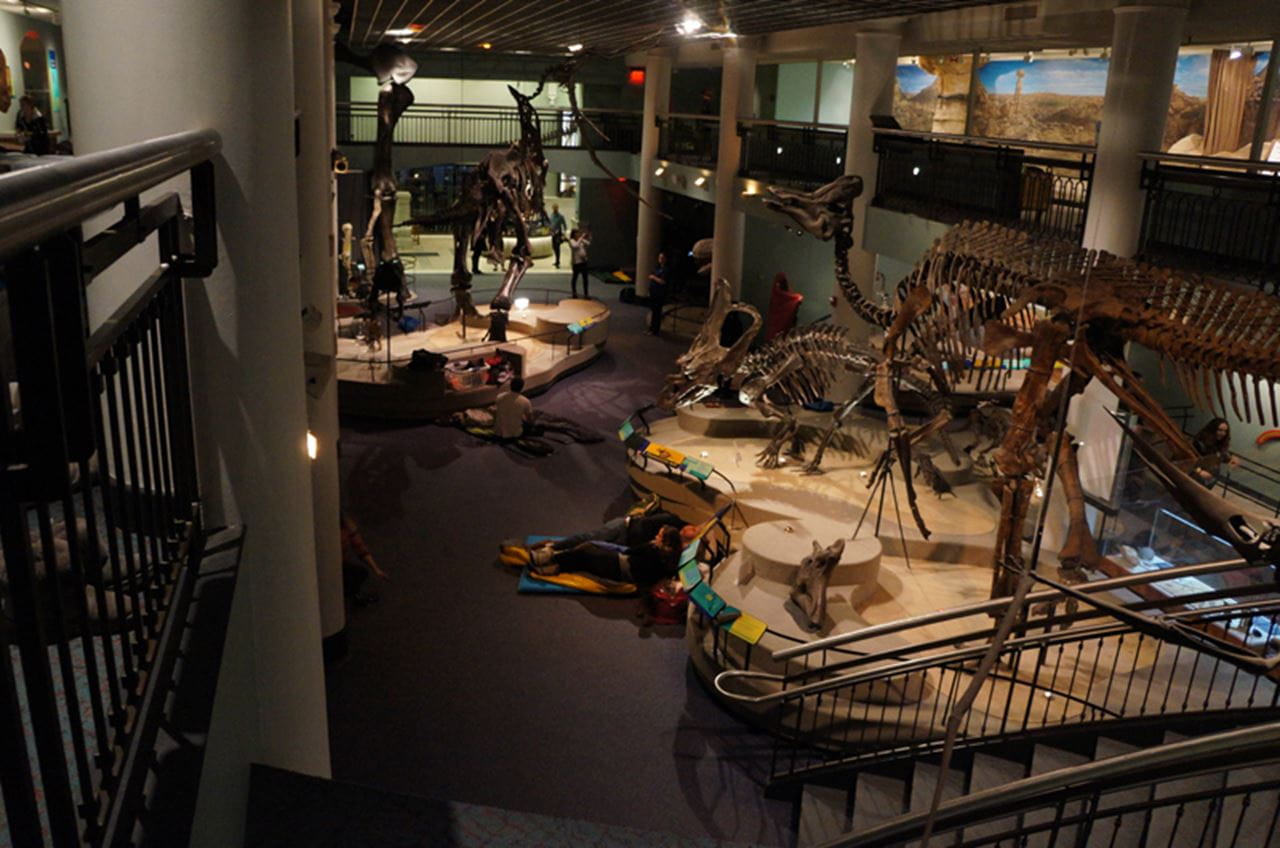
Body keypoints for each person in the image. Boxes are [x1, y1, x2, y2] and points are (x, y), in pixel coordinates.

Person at [531, 525, 683, 589]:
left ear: (664, 542)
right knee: (587, 553)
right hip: (623, 565)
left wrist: (649, 544)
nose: (655, 536)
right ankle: (555, 563)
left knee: (587, 552)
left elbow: (629, 552)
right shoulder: (664, 558)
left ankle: (551, 560)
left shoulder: (652, 551)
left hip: (621, 568)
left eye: (659, 535)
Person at [342, 512, 388, 606]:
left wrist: (376, 569)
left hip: (341, 563)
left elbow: (360, 549)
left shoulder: (347, 526)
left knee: (360, 573)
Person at [1190, 417, 1237, 487]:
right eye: (1220, 430)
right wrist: (1199, 471)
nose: (1223, 433)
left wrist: (1231, 458)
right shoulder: (1200, 442)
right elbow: (1189, 459)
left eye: (1225, 431)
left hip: (1209, 479)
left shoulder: (1218, 443)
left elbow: (1220, 455)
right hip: (1195, 478)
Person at [646, 251, 669, 336]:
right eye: (659, 258)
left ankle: (655, 330)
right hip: (653, 291)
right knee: (653, 311)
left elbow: (663, 281)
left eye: (662, 258)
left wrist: (653, 277)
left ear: (665, 259)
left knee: (657, 312)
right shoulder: (657, 268)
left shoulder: (666, 270)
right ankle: (651, 328)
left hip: (660, 293)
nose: (660, 260)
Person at [569, 226, 591, 299]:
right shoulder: (572, 240)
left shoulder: (580, 240)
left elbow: (588, 244)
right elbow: (575, 246)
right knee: (575, 279)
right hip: (577, 263)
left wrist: (587, 237)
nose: (578, 234)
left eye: (578, 233)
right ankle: (574, 294)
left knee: (585, 279)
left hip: (583, 261)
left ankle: (586, 294)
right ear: (573, 234)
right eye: (576, 233)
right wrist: (581, 238)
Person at [548, 203, 567, 268]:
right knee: (554, 247)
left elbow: (565, 226)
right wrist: (550, 230)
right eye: (554, 208)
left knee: (557, 248)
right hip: (553, 234)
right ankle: (556, 260)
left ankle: (558, 261)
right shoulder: (551, 215)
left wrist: (563, 234)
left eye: (556, 208)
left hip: (558, 234)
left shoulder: (561, 216)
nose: (555, 209)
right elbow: (550, 224)